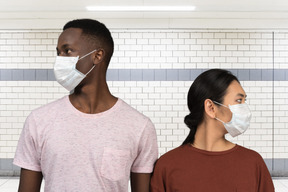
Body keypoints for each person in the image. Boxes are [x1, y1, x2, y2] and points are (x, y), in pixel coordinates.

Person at [13, 19, 158, 192]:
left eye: (67, 51)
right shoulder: (39, 120)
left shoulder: (139, 126)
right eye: (58, 53)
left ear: (97, 56)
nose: (60, 59)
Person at [150, 69, 274, 192]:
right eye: (238, 100)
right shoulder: (167, 166)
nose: (245, 108)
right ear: (211, 107)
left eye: (244, 101)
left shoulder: (253, 163)